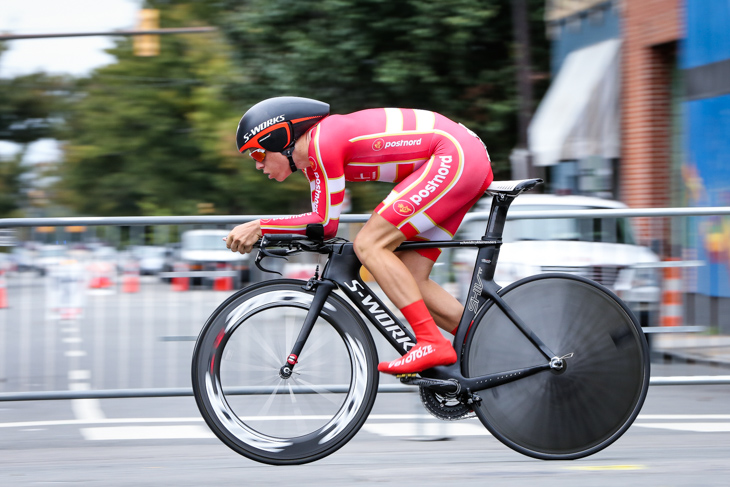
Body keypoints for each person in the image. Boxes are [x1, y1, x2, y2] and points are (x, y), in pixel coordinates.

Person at [226, 96, 493, 375]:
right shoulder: (313, 166)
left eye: (257, 154)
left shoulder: (322, 142)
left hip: (454, 155)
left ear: (279, 139)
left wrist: (261, 226)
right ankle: (491, 349)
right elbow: (321, 226)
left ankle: (429, 341)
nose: (257, 165)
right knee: (407, 275)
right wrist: (271, 232)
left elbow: (324, 223)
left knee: (370, 244)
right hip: (460, 157)